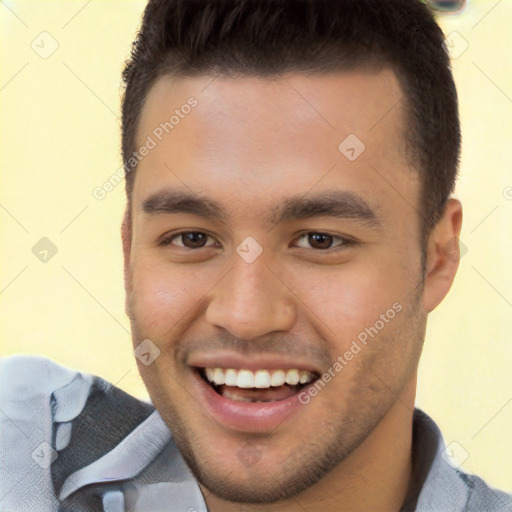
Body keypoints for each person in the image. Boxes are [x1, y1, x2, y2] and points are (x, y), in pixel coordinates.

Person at [1, 0, 511, 511]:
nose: (245, 317)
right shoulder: (23, 446)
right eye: (192, 238)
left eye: (320, 241)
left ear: (439, 256)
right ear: (129, 251)